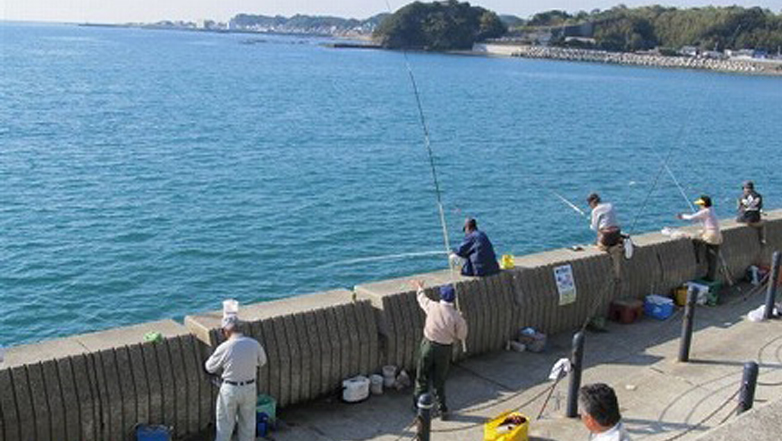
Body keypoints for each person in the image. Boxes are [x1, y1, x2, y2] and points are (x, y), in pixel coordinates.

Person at [411, 280, 468, 420]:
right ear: (453, 299)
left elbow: (421, 299)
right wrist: (460, 318)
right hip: (444, 349)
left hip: (428, 345)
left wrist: (419, 288)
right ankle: (442, 408)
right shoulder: (456, 316)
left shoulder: (432, 306)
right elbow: (462, 336)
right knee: (439, 380)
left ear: (441, 296)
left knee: (422, 376)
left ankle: (419, 405)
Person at [205, 315, 268, 441]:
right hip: (250, 387)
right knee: (248, 424)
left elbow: (209, 367)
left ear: (226, 331)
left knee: (225, 425)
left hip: (230, 389)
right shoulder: (254, 343)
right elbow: (263, 362)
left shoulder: (224, 347)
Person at [677, 195, 723, 281]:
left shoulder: (705, 211)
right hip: (717, 234)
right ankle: (711, 276)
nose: (699, 206)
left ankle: (708, 275)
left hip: (711, 235)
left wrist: (681, 216)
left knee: (699, 244)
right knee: (713, 258)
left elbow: (691, 217)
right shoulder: (711, 210)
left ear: (703, 204)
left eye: (700, 204)